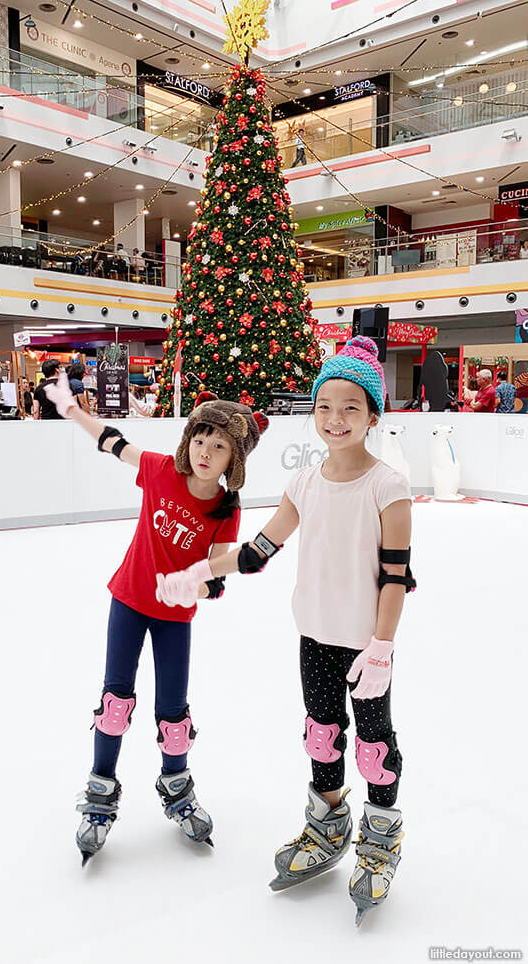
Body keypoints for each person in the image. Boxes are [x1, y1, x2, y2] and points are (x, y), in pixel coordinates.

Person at [156, 337, 415, 926]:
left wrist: (381, 648)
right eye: (325, 406)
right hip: (315, 637)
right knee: (322, 738)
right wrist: (200, 571)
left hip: (365, 645)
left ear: (373, 414)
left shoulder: (388, 486)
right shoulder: (304, 484)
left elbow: (396, 577)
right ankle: (327, 827)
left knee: (375, 750)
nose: (336, 419)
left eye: (351, 407)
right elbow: (256, 552)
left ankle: (380, 842)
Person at [43, 376, 267, 862]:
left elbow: (220, 573)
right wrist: (73, 410)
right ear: (189, 441)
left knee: (174, 712)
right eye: (201, 440)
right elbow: (114, 443)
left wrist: (193, 585)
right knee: (115, 699)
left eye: (220, 446)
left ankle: (177, 786)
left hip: (174, 618)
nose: (206, 452)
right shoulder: (162, 470)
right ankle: (100, 793)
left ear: (235, 459)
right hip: (128, 599)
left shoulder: (226, 508)